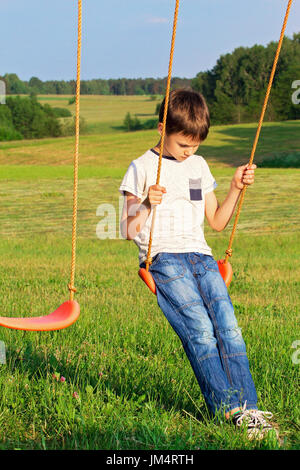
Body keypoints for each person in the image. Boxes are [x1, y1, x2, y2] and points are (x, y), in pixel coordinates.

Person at [119, 89, 277, 440]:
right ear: (163, 129)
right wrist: (146, 204)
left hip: (202, 257)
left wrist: (235, 188)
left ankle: (250, 409)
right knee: (201, 331)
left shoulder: (200, 166)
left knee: (229, 328)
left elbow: (217, 222)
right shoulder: (142, 167)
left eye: (195, 145)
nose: (190, 152)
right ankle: (228, 409)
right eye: (182, 145)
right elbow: (127, 229)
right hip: (162, 257)